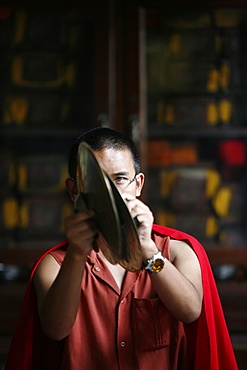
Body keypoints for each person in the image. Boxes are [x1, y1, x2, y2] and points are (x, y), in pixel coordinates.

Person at [5, 127, 237, 370]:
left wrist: (148, 251)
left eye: (120, 179)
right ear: (74, 191)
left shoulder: (176, 252)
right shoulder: (57, 264)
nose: (111, 195)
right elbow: (55, 330)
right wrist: (76, 252)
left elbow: (190, 312)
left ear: (138, 184)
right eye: (97, 184)